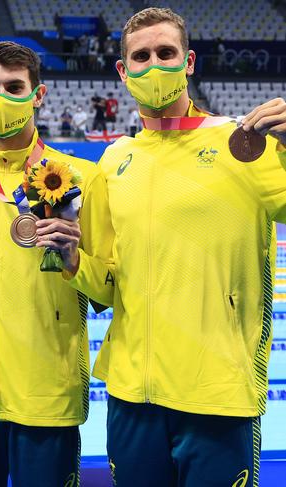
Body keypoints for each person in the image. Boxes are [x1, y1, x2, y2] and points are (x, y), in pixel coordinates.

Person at [89, 8, 286, 487]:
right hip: (132, 397)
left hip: (217, 393)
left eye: (166, 53)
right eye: (141, 56)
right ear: (123, 70)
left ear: (189, 61)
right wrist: (71, 260)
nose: (153, 65)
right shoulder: (115, 160)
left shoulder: (247, 142)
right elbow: (107, 282)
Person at [0, 40, 114, 487]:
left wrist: (74, 261)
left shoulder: (80, 178)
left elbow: (110, 288)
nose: (2, 98)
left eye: (14, 87)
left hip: (46, 396)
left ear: (38, 94)